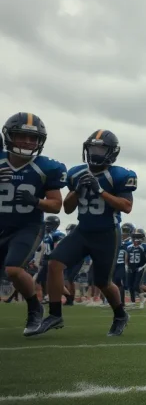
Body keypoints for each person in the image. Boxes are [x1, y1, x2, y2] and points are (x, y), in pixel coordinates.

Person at [36, 130, 136, 337]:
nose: (95, 152)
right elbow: (68, 208)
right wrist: (76, 189)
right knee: (54, 263)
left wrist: (100, 190)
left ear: (111, 152)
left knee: (103, 282)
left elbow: (126, 206)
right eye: (92, 148)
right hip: (83, 231)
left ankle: (120, 315)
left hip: (107, 233)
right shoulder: (76, 173)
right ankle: (55, 314)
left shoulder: (120, 175)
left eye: (100, 148)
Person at [0, 113, 66, 336]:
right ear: (10, 136)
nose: (28, 142)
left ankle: (34, 307)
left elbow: (57, 205)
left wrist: (37, 201)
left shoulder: (45, 167)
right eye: (22, 136)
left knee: (13, 269)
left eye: (33, 138)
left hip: (27, 226)